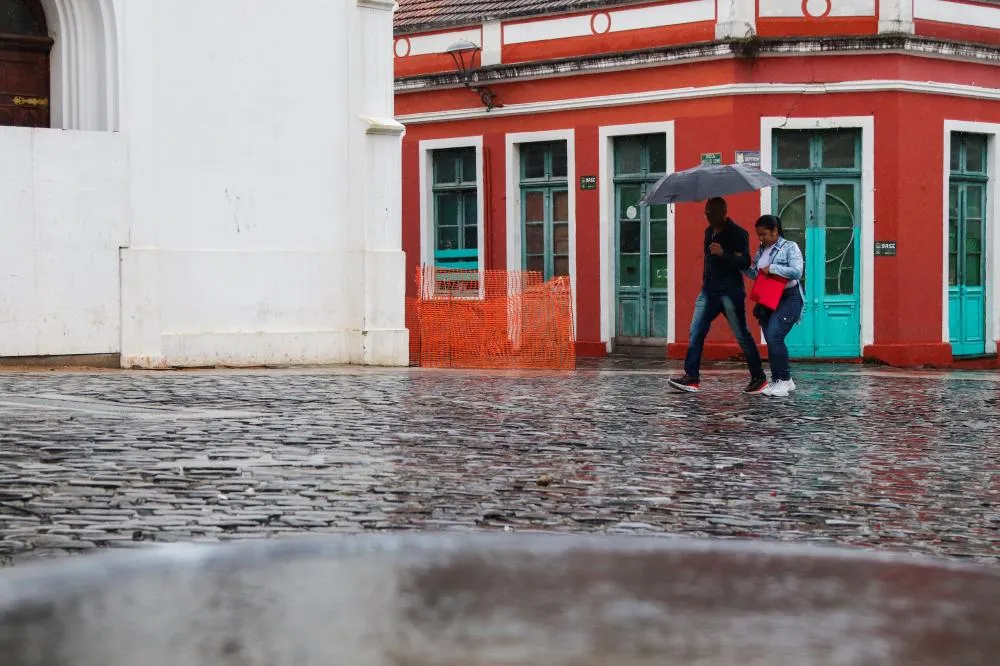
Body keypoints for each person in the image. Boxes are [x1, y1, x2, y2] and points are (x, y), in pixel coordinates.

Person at [668, 197, 767, 394]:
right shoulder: (708, 232)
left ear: (723, 213)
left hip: (731, 292)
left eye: (711, 213)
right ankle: (691, 378)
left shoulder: (738, 233)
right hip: (709, 291)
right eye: (706, 213)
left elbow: (746, 262)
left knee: (742, 335)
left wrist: (724, 254)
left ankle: (759, 377)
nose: (708, 217)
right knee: (696, 330)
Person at [744, 214, 805, 397]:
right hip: (769, 298)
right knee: (771, 340)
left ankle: (784, 380)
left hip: (789, 297)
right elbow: (757, 274)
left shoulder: (789, 247)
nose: (761, 238)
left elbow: (797, 272)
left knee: (775, 336)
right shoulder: (761, 250)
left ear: (775, 231)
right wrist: (743, 266)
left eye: (764, 234)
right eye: (759, 235)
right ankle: (780, 379)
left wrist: (773, 268)